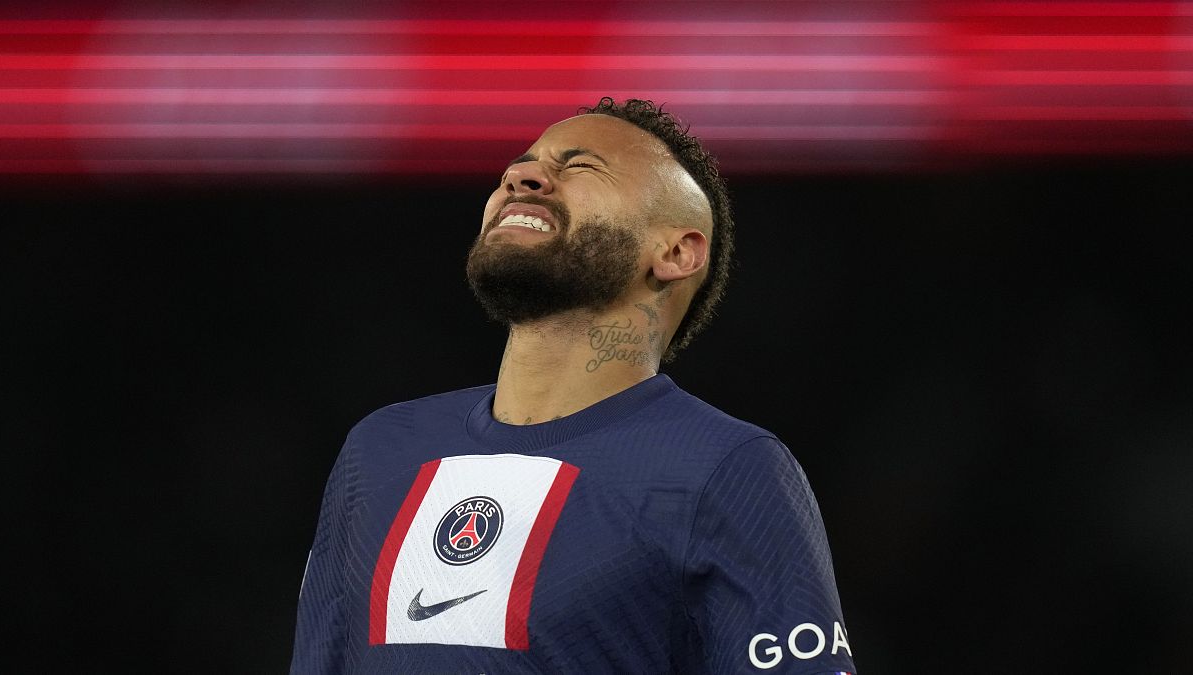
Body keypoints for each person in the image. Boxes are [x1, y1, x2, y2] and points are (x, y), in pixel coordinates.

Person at [291, 98, 857, 674]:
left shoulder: (729, 469)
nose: (521, 176)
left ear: (676, 252)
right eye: (521, 164)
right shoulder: (380, 448)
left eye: (581, 167)